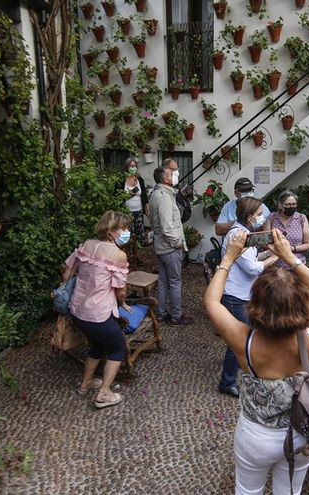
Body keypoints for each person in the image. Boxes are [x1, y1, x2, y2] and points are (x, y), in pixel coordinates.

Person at [204, 229, 309, 495]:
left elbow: (212, 301)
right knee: (290, 491)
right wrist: (290, 256)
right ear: (301, 303)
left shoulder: (244, 342)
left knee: (247, 490)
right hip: (301, 432)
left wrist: (228, 257)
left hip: (256, 437)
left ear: (256, 304)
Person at [62, 211, 132, 409]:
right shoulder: (118, 254)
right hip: (98, 314)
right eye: (123, 228)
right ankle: (103, 393)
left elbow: (67, 272)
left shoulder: (87, 245)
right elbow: (121, 290)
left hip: (77, 311)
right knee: (117, 346)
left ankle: (85, 385)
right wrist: (123, 303)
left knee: (97, 345)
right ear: (111, 231)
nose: (127, 232)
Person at [216, 197, 279, 398]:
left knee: (245, 335)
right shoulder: (238, 235)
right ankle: (227, 381)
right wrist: (275, 258)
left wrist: (266, 253)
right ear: (249, 215)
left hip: (243, 293)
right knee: (240, 339)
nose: (262, 217)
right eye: (260, 213)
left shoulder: (246, 233)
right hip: (235, 294)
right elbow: (252, 269)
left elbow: (250, 259)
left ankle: (241, 367)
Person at [149, 161, 193, 325]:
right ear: (165, 180)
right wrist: (178, 243)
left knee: (163, 281)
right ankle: (176, 316)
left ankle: (161, 314)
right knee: (174, 282)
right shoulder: (164, 198)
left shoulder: (156, 194)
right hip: (169, 247)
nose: (176, 175)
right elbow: (167, 227)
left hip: (161, 246)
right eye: (172, 173)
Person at [267, 190, 309, 269]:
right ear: (280, 205)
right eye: (287, 204)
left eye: (294, 204)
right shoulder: (272, 218)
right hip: (275, 266)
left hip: (297, 265)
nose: (291, 207)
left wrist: (292, 249)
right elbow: (265, 242)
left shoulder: (301, 218)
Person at [123, 157, 149, 245]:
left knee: (140, 231)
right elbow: (117, 196)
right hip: (127, 211)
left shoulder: (139, 179)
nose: (133, 168)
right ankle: (129, 250)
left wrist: (147, 206)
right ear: (127, 167)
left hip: (139, 210)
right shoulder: (121, 180)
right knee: (128, 231)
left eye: (134, 166)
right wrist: (127, 195)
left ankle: (139, 251)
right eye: (131, 166)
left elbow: (144, 195)